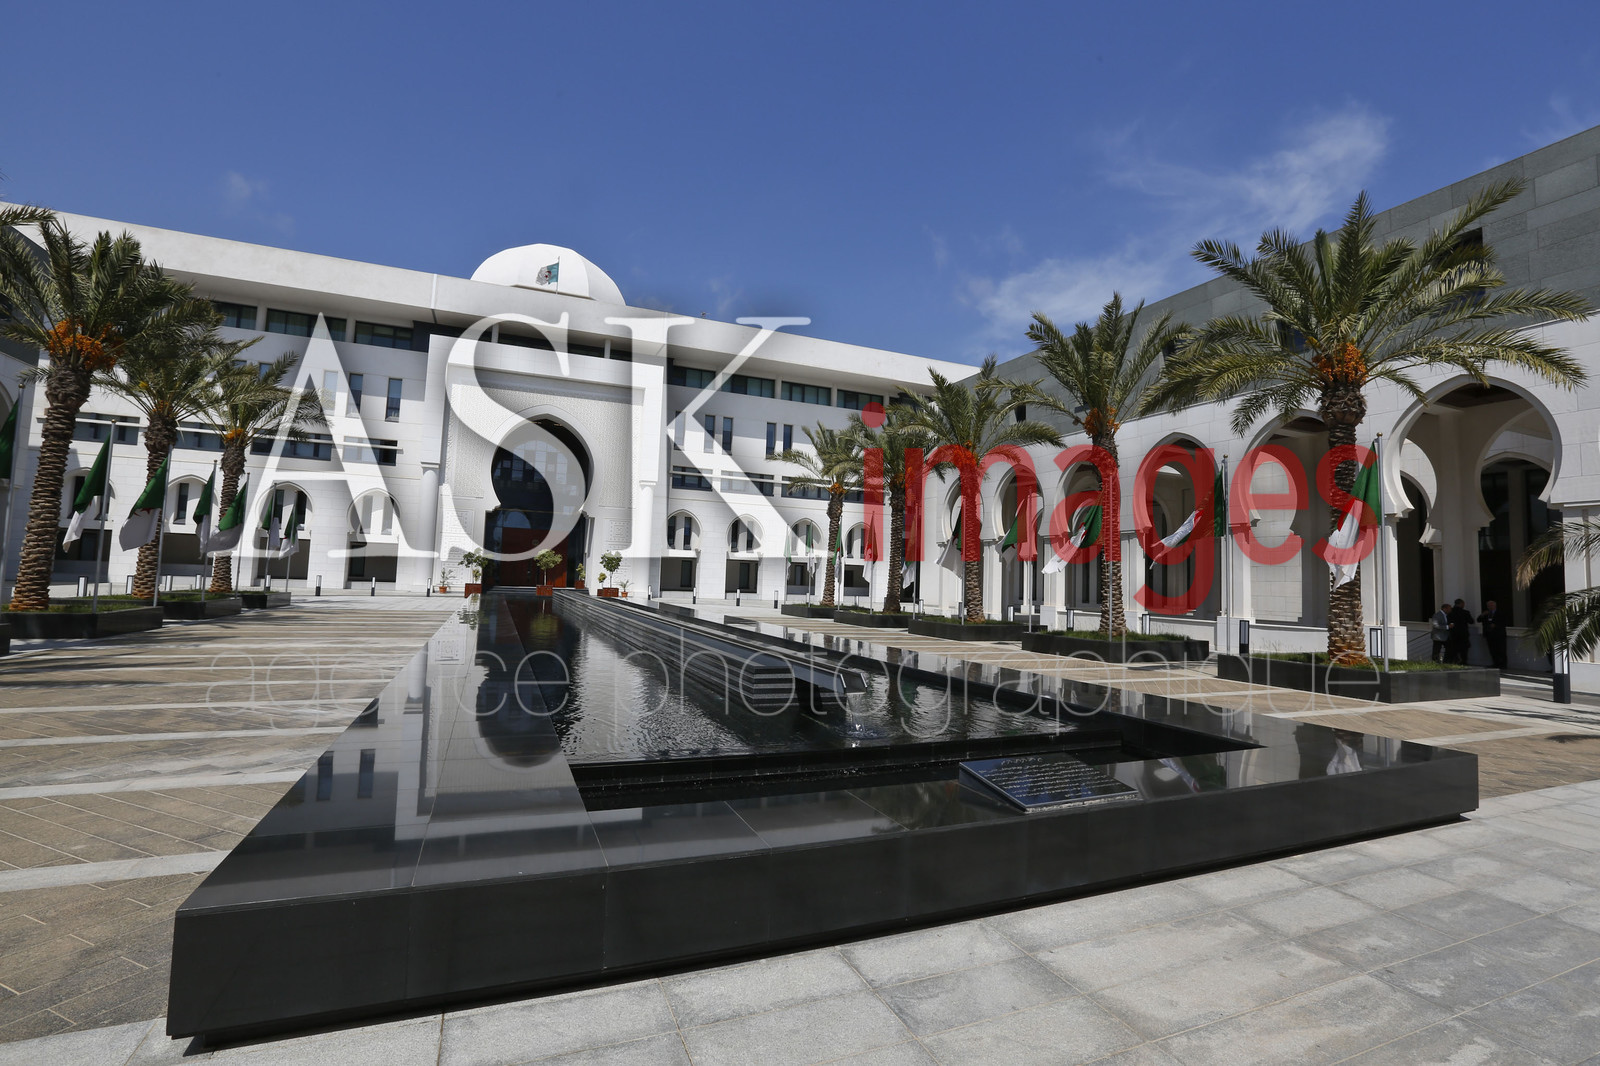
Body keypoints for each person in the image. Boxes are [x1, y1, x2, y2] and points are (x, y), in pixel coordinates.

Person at [1479, 599, 1509, 671]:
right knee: (1492, 650)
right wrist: (1482, 615)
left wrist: (1496, 625)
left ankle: (1503, 664)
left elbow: (1504, 622)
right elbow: (1478, 620)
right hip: (1489, 635)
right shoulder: (1486, 614)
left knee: (1501, 650)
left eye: (1491, 605)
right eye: (1488, 606)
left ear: (1495, 606)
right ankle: (1495, 663)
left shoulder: (1500, 613)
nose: (1490, 607)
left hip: (1499, 635)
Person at [1448, 598, 1474, 665]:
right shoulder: (1465, 612)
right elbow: (1471, 621)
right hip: (1463, 633)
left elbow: (1448, 622)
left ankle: (1455, 661)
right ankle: (1464, 662)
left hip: (1453, 633)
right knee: (1464, 649)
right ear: (1461, 604)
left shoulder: (1450, 612)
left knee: (1454, 648)